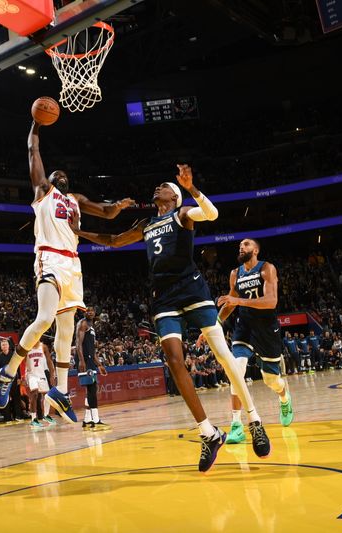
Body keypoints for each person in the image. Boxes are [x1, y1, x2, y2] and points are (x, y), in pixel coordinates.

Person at [68, 164, 270, 472]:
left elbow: (212, 214)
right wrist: (77, 232)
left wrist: (191, 188)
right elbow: (114, 240)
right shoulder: (148, 223)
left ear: (174, 196)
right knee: (175, 362)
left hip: (192, 290)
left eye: (164, 185)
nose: (157, 187)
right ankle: (208, 433)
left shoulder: (183, 214)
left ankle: (254, 420)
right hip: (163, 297)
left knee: (225, 358)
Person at [0, 120, 134, 423]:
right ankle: (9, 370)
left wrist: (117, 207)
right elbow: (32, 149)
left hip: (73, 264)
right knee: (44, 319)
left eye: (65, 174)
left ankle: (60, 390)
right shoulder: (43, 191)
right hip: (50, 258)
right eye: (57, 174)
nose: (62, 175)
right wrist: (35, 123)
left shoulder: (76, 200)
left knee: (66, 330)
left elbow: (105, 211)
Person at [210, 238, 294, 445]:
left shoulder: (266, 269)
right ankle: (237, 425)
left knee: (271, 381)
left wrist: (238, 301)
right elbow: (230, 304)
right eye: (240, 245)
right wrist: (214, 324)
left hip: (266, 329)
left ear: (255, 250)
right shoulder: (234, 274)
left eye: (246, 244)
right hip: (244, 327)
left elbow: (271, 301)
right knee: (236, 371)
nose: (242, 247)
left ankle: (284, 398)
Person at [75, 308, 109, 430]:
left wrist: (99, 365)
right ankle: (96, 420)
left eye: (92, 311)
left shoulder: (92, 327)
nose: (90, 313)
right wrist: (81, 361)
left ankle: (87, 419)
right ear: (84, 313)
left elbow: (92, 350)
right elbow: (78, 343)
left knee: (91, 390)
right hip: (84, 360)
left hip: (89, 359)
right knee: (92, 389)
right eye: (88, 311)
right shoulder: (83, 323)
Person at [24, 340, 55, 428]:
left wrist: (52, 375)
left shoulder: (43, 347)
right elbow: (22, 363)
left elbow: (49, 361)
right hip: (31, 374)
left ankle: (46, 415)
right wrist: (23, 376)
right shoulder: (27, 347)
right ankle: (34, 419)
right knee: (34, 394)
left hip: (41, 374)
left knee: (47, 395)